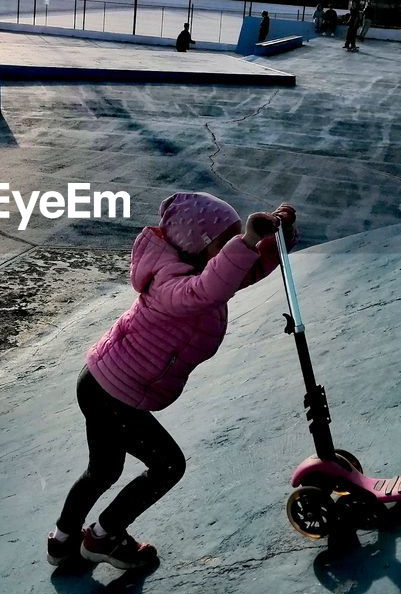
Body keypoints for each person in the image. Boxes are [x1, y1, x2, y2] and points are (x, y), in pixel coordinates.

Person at [46, 193, 298, 570]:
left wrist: (277, 239)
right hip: (112, 392)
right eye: (224, 241)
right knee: (167, 466)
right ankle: (103, 536)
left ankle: (62, 541)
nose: (232, 247)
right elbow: (211, 286)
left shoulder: (202, 270)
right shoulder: (171, 285)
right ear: (198, 246)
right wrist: (245, 242)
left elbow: (240, 272)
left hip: (104, 383)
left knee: (103, 470)